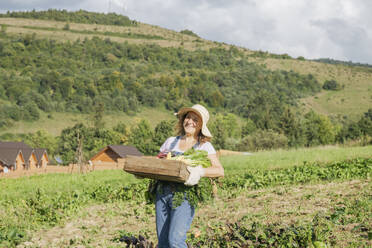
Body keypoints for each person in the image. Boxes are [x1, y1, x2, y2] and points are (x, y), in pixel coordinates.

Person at [155, 104, 224, 248]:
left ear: (201, 126)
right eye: (188, 117)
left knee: (175, 242)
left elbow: (219, 170)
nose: (190, 121)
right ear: (183, 120)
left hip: (185, 196)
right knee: (163, 244)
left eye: (195, 119)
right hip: (162, 194)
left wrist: (200, 171)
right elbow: (158, 162)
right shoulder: (170, 142)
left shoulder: (204, 146)